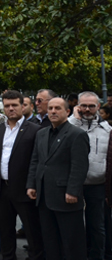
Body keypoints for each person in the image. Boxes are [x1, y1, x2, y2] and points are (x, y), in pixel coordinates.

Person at [0, 90, 44, 260]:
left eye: (14, 105)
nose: (11, 109)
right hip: (1, 190)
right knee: (6, 232)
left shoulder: (34, 130)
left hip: (24, 190)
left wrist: (32, 185)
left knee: (32, 233)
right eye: (7, 106)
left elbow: (36, 161)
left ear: (22, 106)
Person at [27, 97, 89, 260]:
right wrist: (31, 185)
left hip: (66, 197)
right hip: (44, 197)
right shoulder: (41, 133)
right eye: (50, 108)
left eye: (58, 108)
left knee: (72, 243)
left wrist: (73, 191)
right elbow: (36, 161)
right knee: (50, 241)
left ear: (68, 112)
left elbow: (79, 166)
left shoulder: (77, 134)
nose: (53, 111)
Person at [69, 91, 110, 259]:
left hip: (97, 184)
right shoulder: (70, 126)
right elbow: (59, 135)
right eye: (83, 105)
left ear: (98, 106)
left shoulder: (107, 130)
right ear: (77, 106)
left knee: (97, 226)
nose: (87, 109)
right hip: (73, 185)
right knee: (74, 226)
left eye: (91, 106)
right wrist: (74, 119)